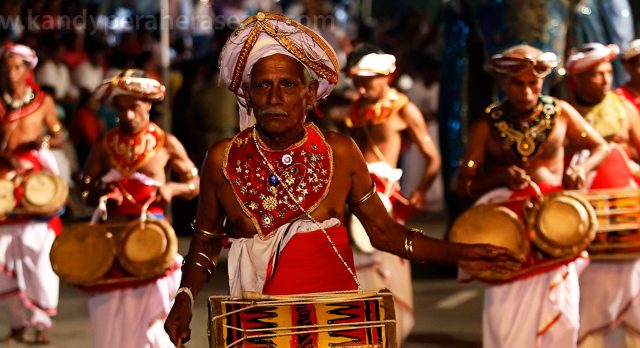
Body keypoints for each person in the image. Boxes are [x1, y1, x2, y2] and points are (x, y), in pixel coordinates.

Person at [164, 12, 523, 346]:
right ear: (248, 96)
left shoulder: (340, 152)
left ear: (308, 95)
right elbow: (205, 244)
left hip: (337, 328)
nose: (275, 97)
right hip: (259, 328)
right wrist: (184, 297)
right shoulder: (223, 160)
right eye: (263, 86)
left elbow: (386, 234)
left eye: (287, 85)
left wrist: (461, 254)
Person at [455, 44, 609, 348]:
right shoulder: (486, 125)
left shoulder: (562, 113)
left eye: (533, 83)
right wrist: (499, 177)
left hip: (556, 228)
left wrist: (581, 169)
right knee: (506, 315)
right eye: (517, 84)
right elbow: (464, 185)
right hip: (508, 236)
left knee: (564, 317)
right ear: (502, 82)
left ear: (544, 81)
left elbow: (600, 146)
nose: (526, 92)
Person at [79, 69, 200, 348]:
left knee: (154, 316)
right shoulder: (104, 146)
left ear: (148, 105)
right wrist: (100, 192)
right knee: (110, 311)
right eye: (121, 110)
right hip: (112, 240)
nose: (128, 116)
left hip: (153, 238)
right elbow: (84, 189)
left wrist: (172, 189)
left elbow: (195, 182)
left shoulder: (166, 143)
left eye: (134, 107)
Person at [342, 44, 442, 343]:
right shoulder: (356, 110)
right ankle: (364, 334)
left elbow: (432, 157)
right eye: (358, 80)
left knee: (386, 263)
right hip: (356, 194)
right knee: (359, 267)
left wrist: (422, 191)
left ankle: (391, 333)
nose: (362, 86)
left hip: (385, 196)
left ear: (388, 76)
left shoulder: (404, 109)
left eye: (369, 80)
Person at [566, 42, 640, 347]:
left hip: (626, 219)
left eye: (609, 72)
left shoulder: (623, 107)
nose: (606, 79)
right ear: (577, 80)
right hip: (583, 224)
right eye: (597, 74)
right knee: (588, 300)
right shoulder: (562, 113)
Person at [0, 42, 65, 344]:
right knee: (3, 255)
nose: (11, 73)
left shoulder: (43, 101)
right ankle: (17, 321)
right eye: (7, 67)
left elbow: (58, 134)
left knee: (37, 254)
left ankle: (41, 322)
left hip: (36, 185)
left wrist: (45, 141)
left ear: (28, 70)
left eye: (17, 67)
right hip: (4, 184)